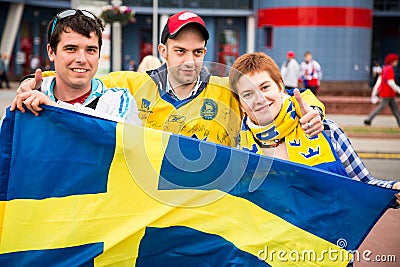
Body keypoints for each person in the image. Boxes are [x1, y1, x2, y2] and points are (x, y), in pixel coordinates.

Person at [14, 10, 324, 147]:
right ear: (163, 49)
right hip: (155, 212)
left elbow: (280, 94)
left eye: (198, 52)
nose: (190, 61)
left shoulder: (225, 87)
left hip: (217, 205)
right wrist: (33, 80)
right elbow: (83, 75)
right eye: (180, 51)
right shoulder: (133, 84)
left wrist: (313, 110)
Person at [229, 52, 400, 204]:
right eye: (248, 94)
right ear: (241, 104)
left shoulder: (326, 131)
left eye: (265, 87)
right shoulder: (236, 148)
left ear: (281, 87)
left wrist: (393, 190)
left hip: (326, 236)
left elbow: (363, 184)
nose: (259, 99)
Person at [9, 9, 141, 126]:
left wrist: (55, 110)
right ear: (51, 52)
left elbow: (121, 139)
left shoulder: (118, 101)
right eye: (71, 49)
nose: (82, 59)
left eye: (91, 50)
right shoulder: (29, 97)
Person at [364, 53, 400, 127]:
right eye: (395, 61)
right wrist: (399, 90)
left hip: (387, 93)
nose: (396, 63)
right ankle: (369, 119)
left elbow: (379, 81)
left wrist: (375, 91)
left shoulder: (385, 68)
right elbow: (391, 83)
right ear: (392, 61)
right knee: (382, 107)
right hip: (387, 93)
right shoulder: (389, 69)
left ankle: (399, 122)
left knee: (395, 109)